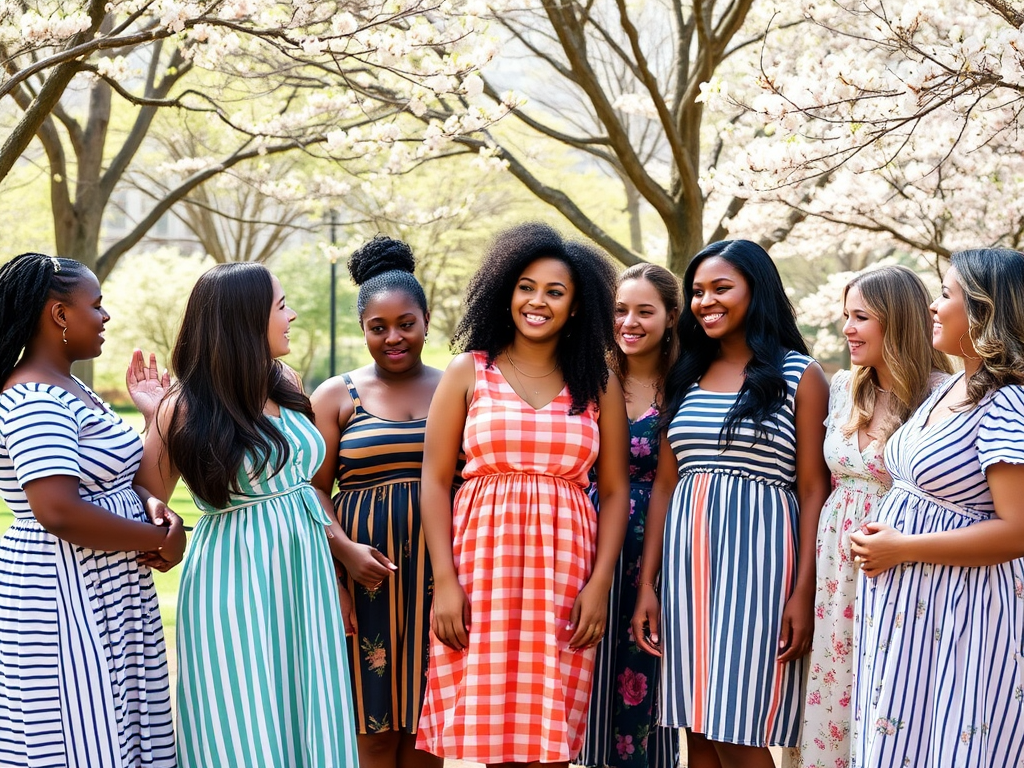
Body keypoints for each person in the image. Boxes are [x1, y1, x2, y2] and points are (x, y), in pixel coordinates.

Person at [416, 222, 631, 767]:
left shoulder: (598, 382)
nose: (538, 301)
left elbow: (613, 487)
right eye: (526, 286)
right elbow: (436, 479)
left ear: (577, 306)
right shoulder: (470, 371)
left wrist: (600, 582)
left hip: (565, 574)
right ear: (506, 291)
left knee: (549, 733)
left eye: (555, 292)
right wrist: (445, 581)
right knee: (493, 736)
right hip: (480, 568)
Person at [134, 262, 361, 767]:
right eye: (281, 307)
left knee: (308, 710)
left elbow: (302, 489)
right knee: (242, 721)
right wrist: (157, 419)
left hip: (303, 575)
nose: (293, 315)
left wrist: (338, 564)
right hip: (232, 578)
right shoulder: (184, 406)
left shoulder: (283, 380)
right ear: (244, 319)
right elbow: (147, 498)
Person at [632, 239, 831, 768]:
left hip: (762, 569)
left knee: (739, 732)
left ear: (756, 291)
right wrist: (647, 584)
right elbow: (667, 486)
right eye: (697, 291)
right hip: (686, 570)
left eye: (722, 288)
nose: (705, 301)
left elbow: (814, 489)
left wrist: (803, 593)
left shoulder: (800, 375)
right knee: (695, 729)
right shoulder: (685, 376)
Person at [0, 252, 183, 767]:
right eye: (96, 306)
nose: (106, 318)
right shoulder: (35, 397)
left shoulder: (71, 389)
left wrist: (157, 417)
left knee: (116, 738)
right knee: (81, 741)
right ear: (60, 315)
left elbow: (130, 486)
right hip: (66, 594)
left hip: (107, 589)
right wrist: (160, 540)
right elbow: (57, 510)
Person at [849, 248, 1024, 767]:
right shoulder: (951, 386)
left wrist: (903, 547)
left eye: (945, 295)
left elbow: (1016, 531)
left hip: (963, 611)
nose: (932, 307)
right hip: (912, 612)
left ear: (984, 311)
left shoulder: (1008, 402)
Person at [795, 266, 952, 767]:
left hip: (900, 564)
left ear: (897, 321)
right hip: (833, 567)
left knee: (890, 693)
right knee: (833, 685)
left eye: (860, 317)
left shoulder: (943, 395)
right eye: (846, 316)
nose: (847, 328)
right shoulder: (844, 387)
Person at [310, 236, 444, 768]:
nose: (394, 338)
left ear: (426, 320)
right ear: (362, 328)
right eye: (378, 327)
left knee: (429, 729)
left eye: (405, 323)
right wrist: (344, 555)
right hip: (367, 578)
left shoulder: (458, 386)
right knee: (373, 730)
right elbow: (313, 488)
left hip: (442, 577)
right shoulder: (336, 395)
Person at [580, 263, 682, 768]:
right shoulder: (587, 380)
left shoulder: (686, 385)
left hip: (656, 549)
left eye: (646, 311)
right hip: (585, 544)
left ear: (669, 318)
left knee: (643, 684)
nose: (630, 322)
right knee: (583, 681)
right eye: (621, 310)